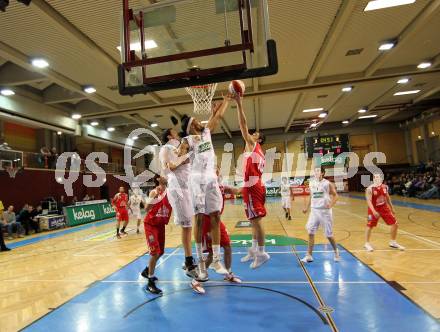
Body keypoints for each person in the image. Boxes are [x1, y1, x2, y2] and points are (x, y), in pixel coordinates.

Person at [179, 95, 231, 279]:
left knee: (215, 215)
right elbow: (181, 151)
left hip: (211, 178)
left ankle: (216, 259)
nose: (198, 123)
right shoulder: (188, 140)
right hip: (196, 180)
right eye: (195, 122)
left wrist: (226, 101)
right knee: (199, 219)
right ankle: (201, 262)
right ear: (191, 127)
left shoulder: (206, 132)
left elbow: (217, 117)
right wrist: (180, 151)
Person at [159, 128, 204, 294]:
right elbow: (167, 167)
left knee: (190, 225)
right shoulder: (165, 149)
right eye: (174, 131)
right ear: (170, 136)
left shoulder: (181, 147)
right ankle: (189, 261)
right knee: (186, 225)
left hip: (187, 187)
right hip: (177, 188)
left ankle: (189, 259)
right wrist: (184, 159)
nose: (177, 132)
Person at [233, 94, 269, 269]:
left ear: (258, 140)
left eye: (255, 134)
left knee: (257, 221)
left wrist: (239, 104)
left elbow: (242, 125)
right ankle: (255, 249)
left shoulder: (254, 146)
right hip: (252, 186)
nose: (251, 134)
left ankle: (261, 252)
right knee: (253, 221)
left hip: (254, 187)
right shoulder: (256, 151)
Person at [202, 180, 242, 283]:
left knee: (227, 246)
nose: (216, 171)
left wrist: (250, 185)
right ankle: (198, 277)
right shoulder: (204, 186)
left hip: (218, 221)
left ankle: (228, 274)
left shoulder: (222, 187)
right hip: (207, 222)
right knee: (211, 254)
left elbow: (237, 191)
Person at [140, 176, 172, 295]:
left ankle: (147, 270)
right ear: (158, 179)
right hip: (151, 224)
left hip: (160, 225)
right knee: (155, 252)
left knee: (161, 252)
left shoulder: (169, 192)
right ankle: (150, 282)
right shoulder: (154, 191)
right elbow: (147, 208)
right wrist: (153, 197)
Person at [301, 167, 340, 263]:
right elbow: (311, 195)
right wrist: (306, 207)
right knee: (310, 232)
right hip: (314, 211)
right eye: (315, 170)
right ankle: (309, 255)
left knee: (329, 235)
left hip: (325, 212)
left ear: (322, 173)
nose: (316, 172)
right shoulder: (311, 183)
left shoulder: (327, 183)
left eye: (318, 170)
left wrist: (330, 205)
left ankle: (336, 251)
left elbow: (336, 195)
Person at [364, 173, 405, 252]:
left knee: (395, 224)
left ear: (381, 178)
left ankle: (393, 242)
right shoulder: (369, 189)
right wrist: (373, 211)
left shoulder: (385, 187)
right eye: (375, 177)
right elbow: (368, 201)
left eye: (378, 177)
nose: (377, 178)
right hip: (373, 209)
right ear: (373, 179)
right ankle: (367, 243)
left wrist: (392, 208)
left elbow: (387, 197)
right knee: (370, 226)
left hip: (384, 208)